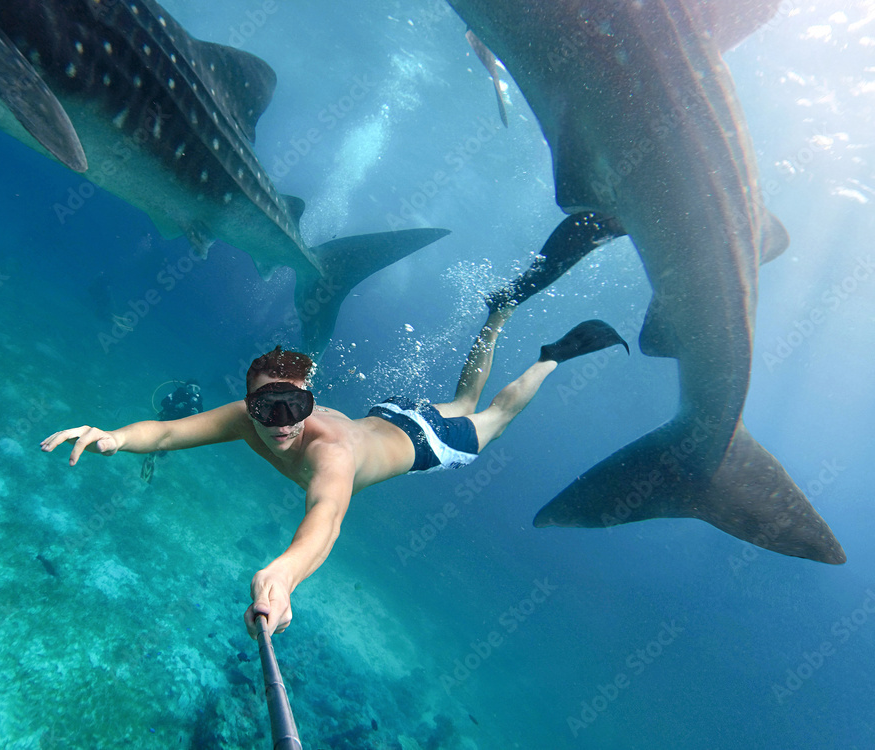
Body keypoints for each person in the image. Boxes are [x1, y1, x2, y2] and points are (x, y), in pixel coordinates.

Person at [40, 212, 627, 638]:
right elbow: (167, 434)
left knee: (489, 416)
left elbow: (326, 521)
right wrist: (113, 437)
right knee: (463, 396)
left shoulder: (331, 456)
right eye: (265, 409)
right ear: (247, 404)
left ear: (311, 404)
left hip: (423, 442)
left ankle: (552, 353)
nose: (279, 426)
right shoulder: (247, 421)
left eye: (293, 410)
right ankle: (497, 311)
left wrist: (282, 575)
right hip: (390, 418)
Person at [140, 380, 204, 483]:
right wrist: (175, 406)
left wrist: (196, 414)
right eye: (190, 387)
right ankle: (151, 452)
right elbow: (163, 402)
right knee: (157, 440)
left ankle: (155, 453)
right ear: (186, 387)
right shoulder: (177, 394)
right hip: (167, 421)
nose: (193, 390)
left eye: (196, 389)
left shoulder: (198, 402)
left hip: (179, 429)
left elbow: (202, 419)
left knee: (163, 451)